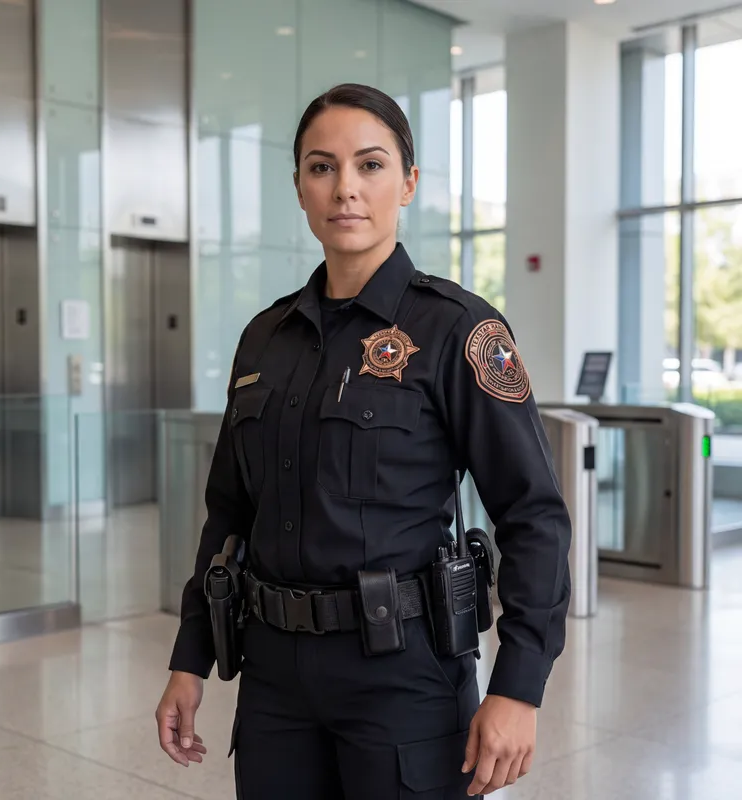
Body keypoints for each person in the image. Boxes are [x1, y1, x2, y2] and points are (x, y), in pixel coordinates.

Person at [156, 83, 571, 799]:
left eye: (370, 165)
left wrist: (519, 687)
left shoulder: (459, 331)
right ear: (299, 187)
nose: (345, 189)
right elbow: (228, 514)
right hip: (275, 682)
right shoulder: (266, 337)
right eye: (322, 167)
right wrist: (190, 657)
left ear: (407, 182)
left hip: (403, 676)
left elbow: (533, 515)